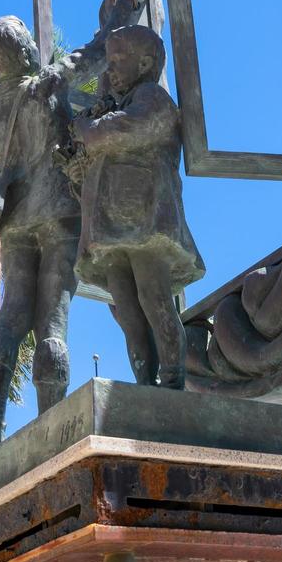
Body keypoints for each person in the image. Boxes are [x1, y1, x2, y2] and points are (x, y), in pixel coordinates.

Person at [0, 0, 145, 454]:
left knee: (10, 316)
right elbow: (95, 52)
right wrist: (125, 6)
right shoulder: (42, 84)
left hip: (15, 223)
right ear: (23, 48)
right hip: (58, 216)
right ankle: (51, 431)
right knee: (53, 323)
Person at [70, 25, 205, 390]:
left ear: (144, 63)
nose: (109, 70)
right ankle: (145, 383)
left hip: (145, 217)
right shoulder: (120, 100)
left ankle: (174, 379)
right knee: (127, 309)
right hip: (110, 222)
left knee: (153, 295)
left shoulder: (152, 97)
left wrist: (88, 128)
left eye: (117, 60)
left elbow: (120, 131)